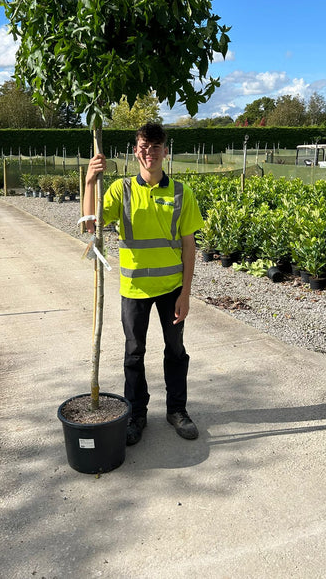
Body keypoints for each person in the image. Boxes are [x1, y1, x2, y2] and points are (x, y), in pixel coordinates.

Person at [83, 122, 204, 445]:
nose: (149, 153)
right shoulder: (120, 190)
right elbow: (90, 226)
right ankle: (136, 414)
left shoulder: (181, 193)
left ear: (165, 151)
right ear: (135, 151)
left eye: (155, 147)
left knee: (175, 351)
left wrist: (186, 294)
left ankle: (177, 410)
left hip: (172, 291)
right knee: (134, 354)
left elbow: (189, 246)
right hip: (134, 290)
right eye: (143, 147)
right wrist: (89, 180)